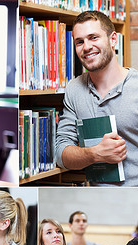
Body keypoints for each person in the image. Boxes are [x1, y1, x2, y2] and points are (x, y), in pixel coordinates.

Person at [55, 10, 138, 186]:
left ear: (113, 39)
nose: (86, 47)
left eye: (93, 37)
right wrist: (96, 153)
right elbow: (61, 154)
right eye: (79, 41)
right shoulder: (74, 89)